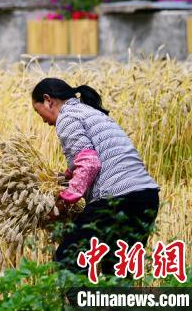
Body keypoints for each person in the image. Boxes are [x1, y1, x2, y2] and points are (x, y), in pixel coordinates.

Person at [31, 77, 160, 277]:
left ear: (48, 100)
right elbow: (96, 156)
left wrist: (62, 205)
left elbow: (90, 164)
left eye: (39, 112)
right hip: (145, 197)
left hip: (116, 199)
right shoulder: (89, 112)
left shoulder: (67, 117)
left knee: (67, 261)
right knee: (118, 275)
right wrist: (63, 177)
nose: (43, 120)